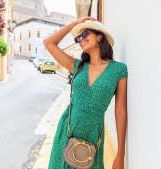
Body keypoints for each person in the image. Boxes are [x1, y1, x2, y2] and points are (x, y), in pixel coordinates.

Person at [44, 16, 128, 169]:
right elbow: (49, 43)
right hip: (67, 132)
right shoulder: (77, 66)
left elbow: (120, 111)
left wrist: (120, 154)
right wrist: (76, 23)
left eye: (85, 34)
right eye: (78, 38)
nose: (80, 39)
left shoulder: (118, 70)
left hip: (93, 136)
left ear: (99, 36)